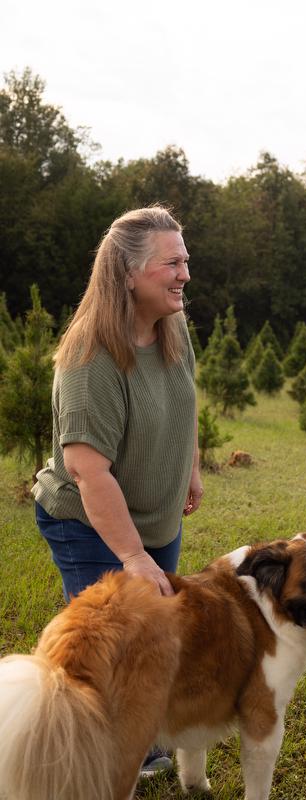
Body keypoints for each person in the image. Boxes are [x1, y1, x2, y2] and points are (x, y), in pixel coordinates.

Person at [32, 205, 203, 776]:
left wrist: (191, 467)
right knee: (104, 647)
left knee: (152, 632)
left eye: (186, 260)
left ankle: (137, 740)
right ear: (128, 274)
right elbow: (89, 473)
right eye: (170, 263)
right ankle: (70, 753)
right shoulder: (91, 357)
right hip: (88, 522)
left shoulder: (172, 328)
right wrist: (131, 556)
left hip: (155, 518)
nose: (184, 274)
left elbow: (186, 404)